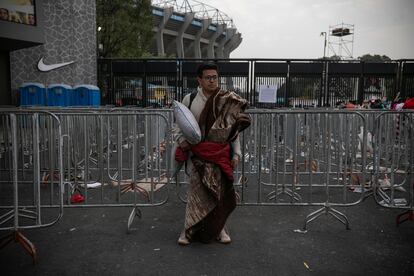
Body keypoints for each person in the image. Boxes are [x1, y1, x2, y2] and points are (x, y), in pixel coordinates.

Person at [173, 62, 251, 245]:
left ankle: (220, 229)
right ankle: (187, 230)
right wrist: (181, 141)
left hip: (220, 154)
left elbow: (233, 131)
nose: (212, 81)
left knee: (219, 193)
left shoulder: (226, 99)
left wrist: (236, 154)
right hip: (197, 154)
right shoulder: (189, 99)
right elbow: (178, 125)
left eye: (215, 77)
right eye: (208, 77)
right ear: (199, 80)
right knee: (194, 192)